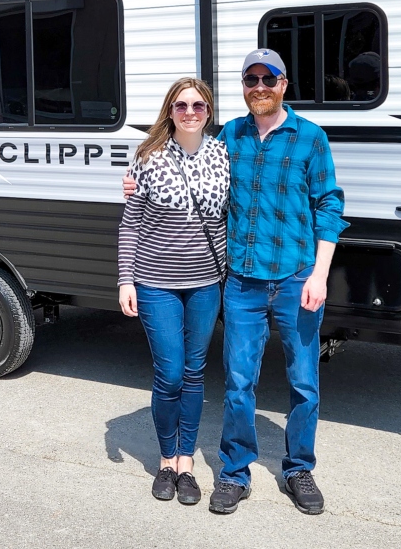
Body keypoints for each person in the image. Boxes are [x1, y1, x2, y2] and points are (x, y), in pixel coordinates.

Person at [124, 50, 347, 516]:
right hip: (242, 283)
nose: (260, 85)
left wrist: (320, 274)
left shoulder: (310, 138)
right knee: (238, 383)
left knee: (304, 381)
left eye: (270, 77)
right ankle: (234, 473)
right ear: (243, 86)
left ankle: (298, 468)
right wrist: (132, 182)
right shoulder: (230, 138)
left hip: (296, 278)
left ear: (285, 84)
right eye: (251, 78)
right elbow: (184, 174)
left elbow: (329, 206)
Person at [117, 77, 230, 506]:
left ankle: (186, 462)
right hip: (156, 283)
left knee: (195, 372)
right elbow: (130, 224)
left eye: (198, 106)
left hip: (206, 282)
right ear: (169, 111)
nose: (189, 112)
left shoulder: (223, 154)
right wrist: (125, 279)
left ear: (208, 111)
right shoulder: (148, 157)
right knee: (170, 373)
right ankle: (166, 460)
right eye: (181, 106)